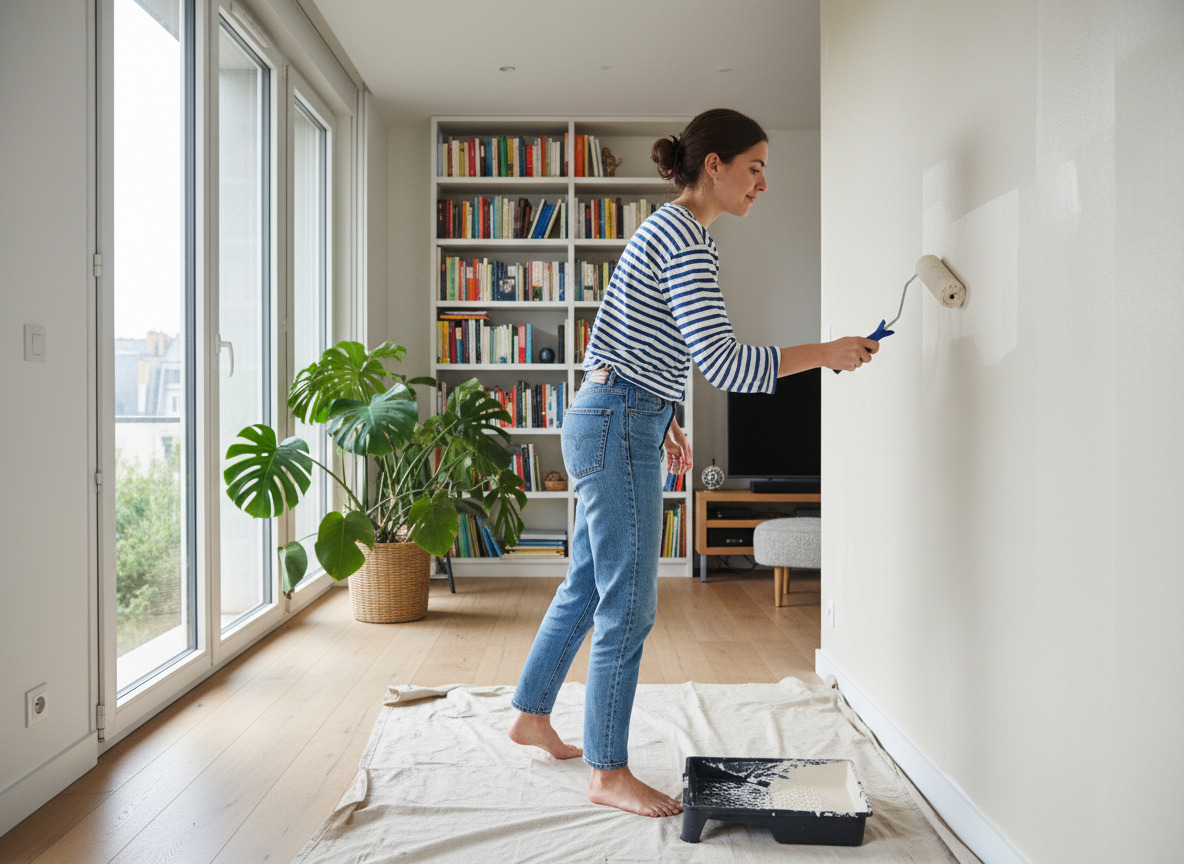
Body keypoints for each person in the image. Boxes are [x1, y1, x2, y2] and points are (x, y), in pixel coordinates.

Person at [508, 109, 878, 818]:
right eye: (756, 167)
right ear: (715, 165)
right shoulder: (686, 237)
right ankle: (606, 772)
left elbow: (629, 335)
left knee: (587, 584)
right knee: (629, 606)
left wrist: (667, 417)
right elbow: (726, 362)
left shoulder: (667, 228)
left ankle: (531, 712)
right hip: (618, 424)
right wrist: (827, 352)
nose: (763, 183)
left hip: (612, 415)